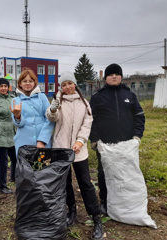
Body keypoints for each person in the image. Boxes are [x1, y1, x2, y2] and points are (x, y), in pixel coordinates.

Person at [46, 71, 104, 240]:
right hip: (60, 149)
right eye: (64, 85)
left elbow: (87, 124)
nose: (67, 87)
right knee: (65, 183)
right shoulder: (58, 101)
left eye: (70, 83)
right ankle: (71, 211)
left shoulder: (84, 103)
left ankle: (96, 218)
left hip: (79, 150)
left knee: (86, 183)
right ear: (61, 88)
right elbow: (52, 118)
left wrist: (80, 141)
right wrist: (53, 109)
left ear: (75, 85)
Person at [89, 63, 145, 215]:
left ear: (121, 77)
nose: (114, 76)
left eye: (117, 74)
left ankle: (124, 202)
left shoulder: (129, 95)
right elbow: (90, 119)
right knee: (104, 173)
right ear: (106, 78)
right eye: (111, 74)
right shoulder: (98, 96)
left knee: (125, 173)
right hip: (105, 145)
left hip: (126, 144)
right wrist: (94, 140)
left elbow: (139, 116)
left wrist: (137, 136)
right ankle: (105, 202)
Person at [10, 67, 54, 155]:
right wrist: (17, 116)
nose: (28, 83)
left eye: (30, 81)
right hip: (24, 143)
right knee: (26, 167)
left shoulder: (42, 97)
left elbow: (49, 119)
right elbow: (19, 124)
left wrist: (42, 140)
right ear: (20, 84)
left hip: (43, 143)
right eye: (25, 81)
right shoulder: (15, 101)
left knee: (43, 167)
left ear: (35, 83)